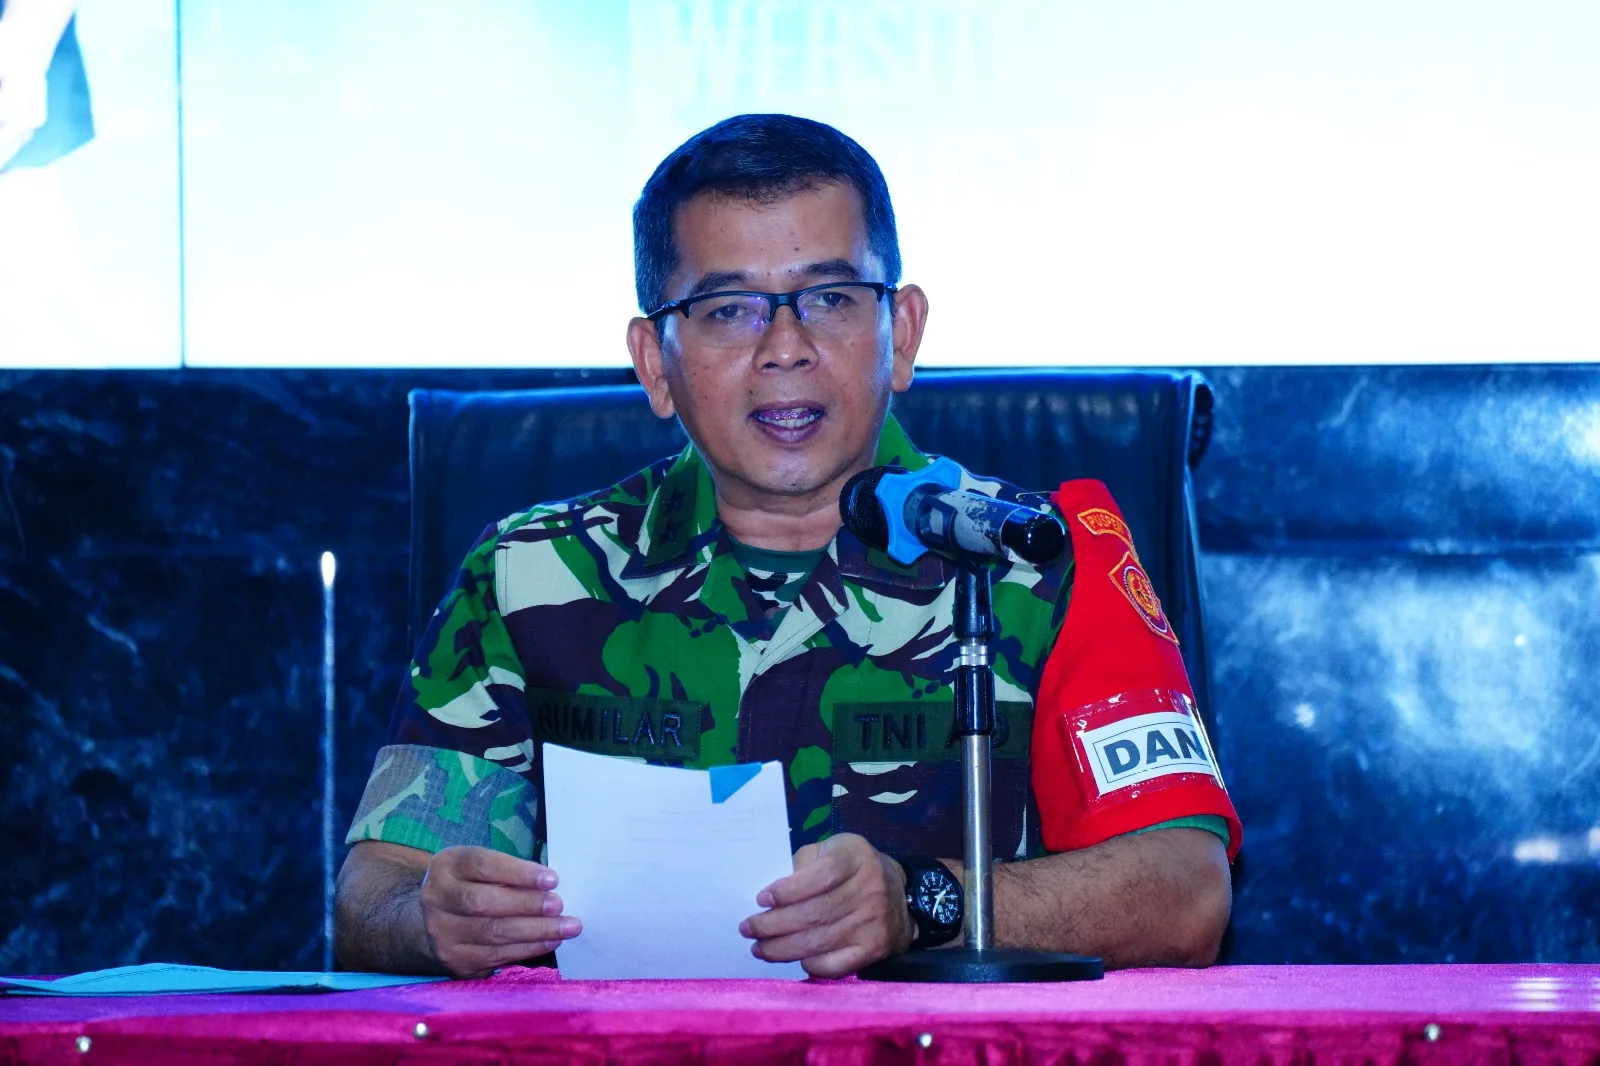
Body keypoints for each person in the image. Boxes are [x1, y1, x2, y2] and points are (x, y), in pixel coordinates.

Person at [336, 114, 1240, 979]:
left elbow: (1185, 890)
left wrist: (923, 903)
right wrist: (429, 919)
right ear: (654, 361)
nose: (785, 348)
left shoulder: (1039, 560)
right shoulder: (527, 575)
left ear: (902, 334)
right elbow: (374, 893)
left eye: (831, 299)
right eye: (729, 309)